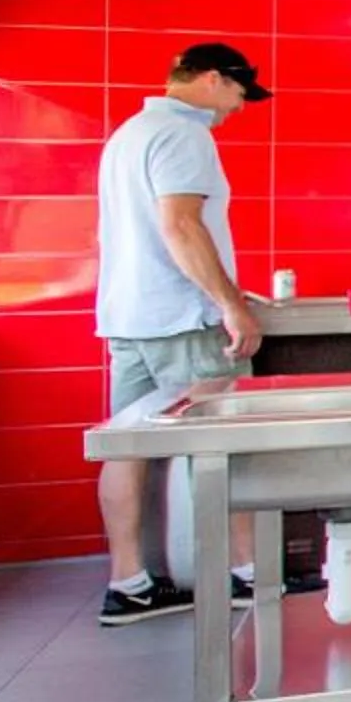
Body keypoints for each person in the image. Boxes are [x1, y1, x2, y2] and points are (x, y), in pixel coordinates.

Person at [93, 42, 267, 626]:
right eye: (239, 93)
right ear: (213, 80)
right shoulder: (186, 135)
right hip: (184, 321)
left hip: (128, 319)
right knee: (226, 444)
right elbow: (182, 226)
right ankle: (246, 573)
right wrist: (231, 304)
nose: (238, 108)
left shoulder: (129, 135)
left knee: (126, 448)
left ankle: (128, 584)